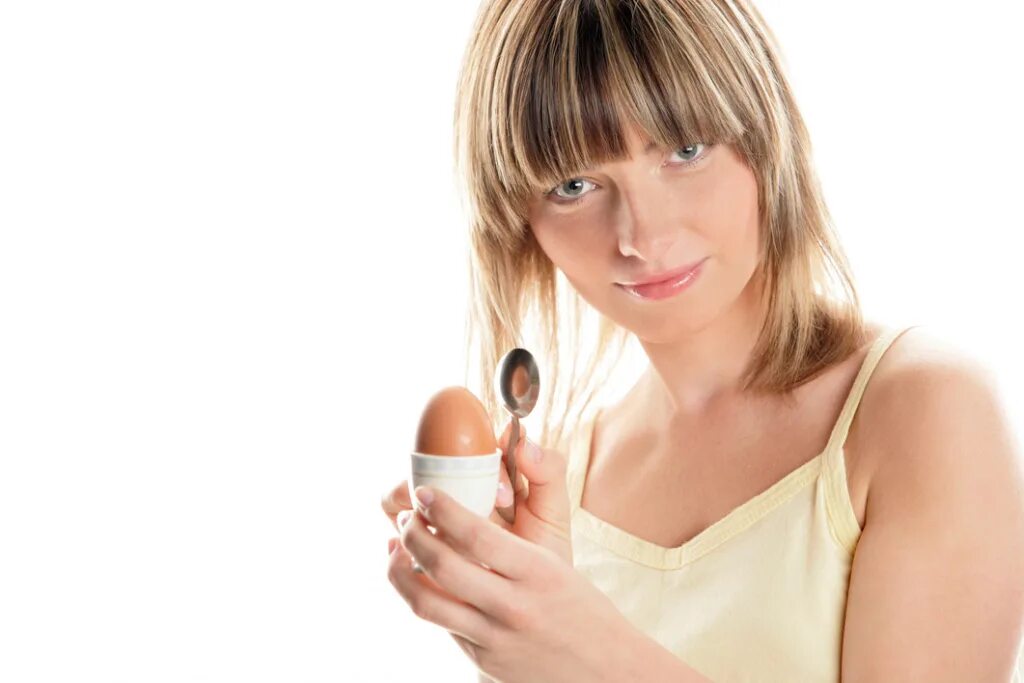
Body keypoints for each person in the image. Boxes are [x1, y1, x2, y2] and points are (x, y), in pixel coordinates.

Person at [380, 0, 1024, 680]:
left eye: (685, 151)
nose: (643, 236)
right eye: (574, 185)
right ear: (520, 221)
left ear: (765, 133)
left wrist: (593, 654)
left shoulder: (920, 411)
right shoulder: (558, 484)